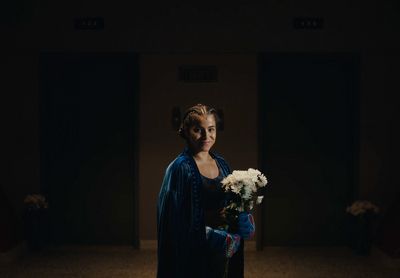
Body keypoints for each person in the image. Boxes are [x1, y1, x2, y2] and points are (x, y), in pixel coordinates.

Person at [157, 104, 255, 278]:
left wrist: (242, 217)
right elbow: (172, 218)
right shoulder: (180, 168)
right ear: (186, 131)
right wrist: (209, 233)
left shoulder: (222, 164)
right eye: (198, 130)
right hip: (194, 249)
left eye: (211, 129)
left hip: (224, 247)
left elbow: (231, 202)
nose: (206, 136)